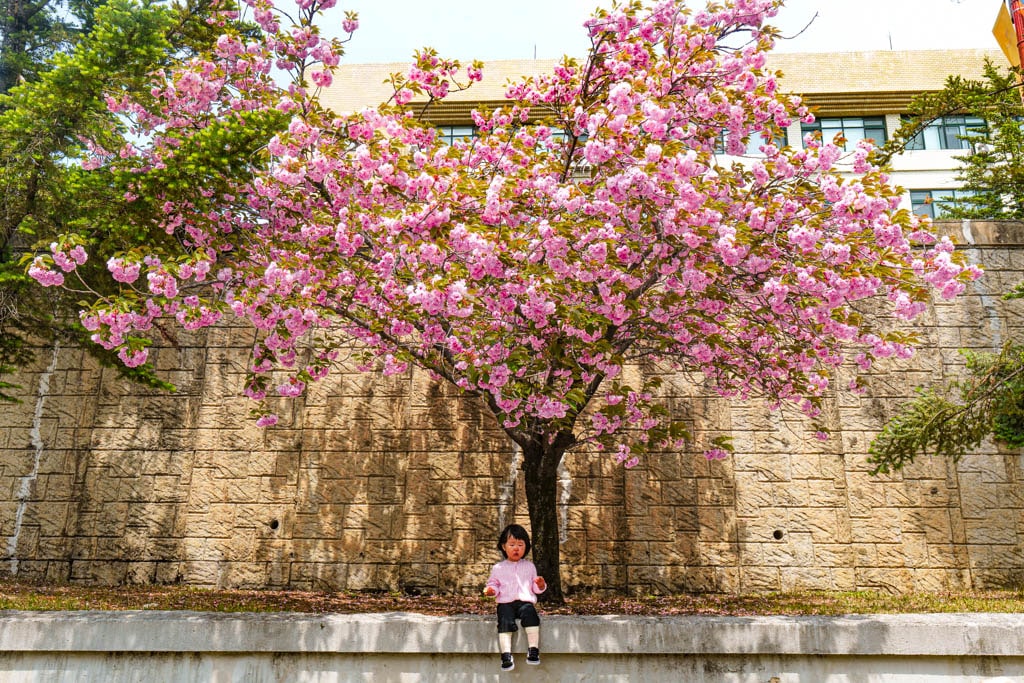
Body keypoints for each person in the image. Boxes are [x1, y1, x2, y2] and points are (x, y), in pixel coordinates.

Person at [483, 523, 546, 671]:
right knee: (504, 619)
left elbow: (535, 588)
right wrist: (492, 590)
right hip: (506, 603)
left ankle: (533, 650)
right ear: (504, 547)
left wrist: (541, 584)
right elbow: (494, 584)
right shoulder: (498, 568)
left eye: (520, 544)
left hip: (525, 602)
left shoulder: (530, 567)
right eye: (512, 544)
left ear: (526, 547)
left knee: (531, 614)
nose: (516, 548)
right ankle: (506, 655)